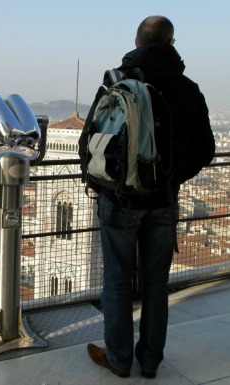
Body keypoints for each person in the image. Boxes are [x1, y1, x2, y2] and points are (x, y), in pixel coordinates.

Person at [78, 16, 215, 378]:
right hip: (164, 201)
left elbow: (89, 143)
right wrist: (169, 178)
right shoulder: (188, 88)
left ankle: (119, 358)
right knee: (156, 283)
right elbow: (205, 150)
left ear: (136, 41)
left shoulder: (115, 82)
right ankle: (151, 360)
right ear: (171, 43)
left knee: (118, 280)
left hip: (120, 199)